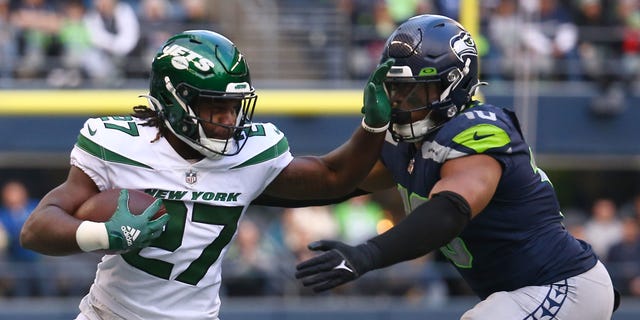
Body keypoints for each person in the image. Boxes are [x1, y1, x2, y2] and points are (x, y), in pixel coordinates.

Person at [19, 30, 392, 319]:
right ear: (174, 100)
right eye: (216, 108)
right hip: (110, 313)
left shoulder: (251, 153)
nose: (229, 121)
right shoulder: (117, 145)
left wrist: (372, 128)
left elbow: (333, 177)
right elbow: (36, 229)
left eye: (234, 107)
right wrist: (104, 233)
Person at [293, 14, 618, 319]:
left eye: (412, 91)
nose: (398, 103)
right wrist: (250, 182)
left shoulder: (479, 129)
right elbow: (332, 178)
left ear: (452, 84)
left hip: (561, 285)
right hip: (523, 294)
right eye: (394, 89)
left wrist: (367, 255)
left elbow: (449, 211)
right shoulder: (404, 147)